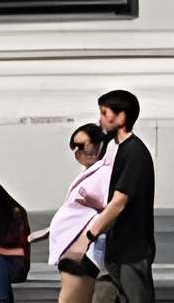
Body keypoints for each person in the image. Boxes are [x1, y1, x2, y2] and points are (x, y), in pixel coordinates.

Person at [60, 88, 156, 303]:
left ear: (121, 117)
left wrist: (87, 237)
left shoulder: (134, 152)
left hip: (132, 252)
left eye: (105, 113)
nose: (100, 120)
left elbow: (119, 202)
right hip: (117, 251)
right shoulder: (122, 150)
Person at [39, 123, 114, 303]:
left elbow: (109, 209)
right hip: (71, 249)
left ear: (98, 145)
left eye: (82, 145)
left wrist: (85, 238)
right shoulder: (90, 172)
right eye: (74, 147)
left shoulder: (105, 173)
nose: (77, 151)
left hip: (81, 252)